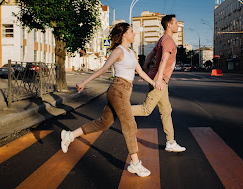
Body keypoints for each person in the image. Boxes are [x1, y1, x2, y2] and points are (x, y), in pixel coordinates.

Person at [60, 23, 155, 177]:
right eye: (131, 31)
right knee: (130, 125)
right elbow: (103, 69)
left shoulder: (131, 52)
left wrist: (154, 83)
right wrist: (84, 82)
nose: (134, 34)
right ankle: (135, 163)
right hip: (118, 90)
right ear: (124, 34)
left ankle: (69, 135)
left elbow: (140, 72)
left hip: (125, 90)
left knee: (104, 123)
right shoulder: (119, 51)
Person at [131, 14, 186, 152]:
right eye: (175, 23)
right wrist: (159, 79)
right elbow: (163, 61)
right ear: (169, 25)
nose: (177, 25)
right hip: (159, 80)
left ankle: (170, 142)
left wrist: (146, 66)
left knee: (166, 111)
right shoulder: (168, 41)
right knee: (146, 109)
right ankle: (118, 109)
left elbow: (150, 56)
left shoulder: (162, 39)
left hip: (159, 79)